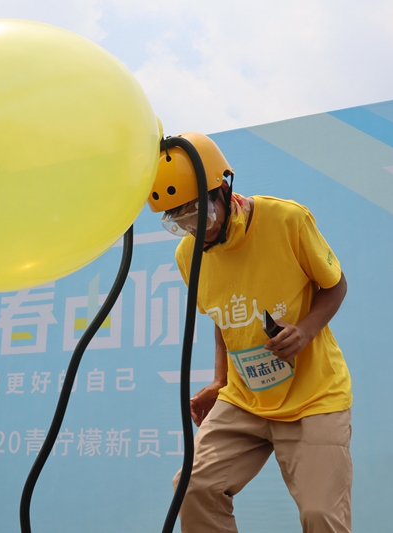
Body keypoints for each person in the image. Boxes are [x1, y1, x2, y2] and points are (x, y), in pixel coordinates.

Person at [148, 132, 352, 533]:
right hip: (245, 398)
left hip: (314, 397)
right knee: (192, 487)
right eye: (180, 222)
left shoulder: (286, 220)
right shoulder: (188, 256)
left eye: (200, 215)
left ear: (223, 190)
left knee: (320, 515)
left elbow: (336, 284)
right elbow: (223, 319)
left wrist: (305, 331)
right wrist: (220, 381)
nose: (195, 230)